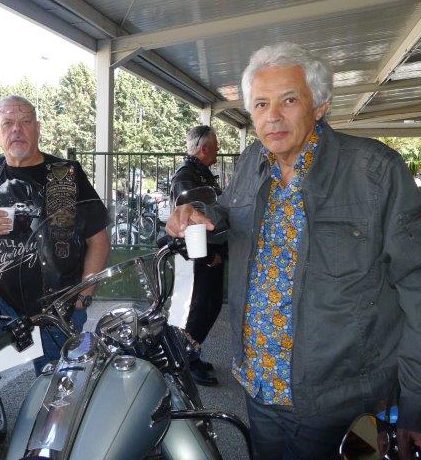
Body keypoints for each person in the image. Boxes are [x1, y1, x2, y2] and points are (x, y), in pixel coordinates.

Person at [166, 43, 421, 459]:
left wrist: (417, 401)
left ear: (319, 105)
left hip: (342, 403)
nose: (273, 116)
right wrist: (198, 213)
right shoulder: (252, 162)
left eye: (289, 100)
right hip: (258, 389)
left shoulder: (375, 171)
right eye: (261, 104)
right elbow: (228, 212)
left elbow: (417, 286)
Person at [0, 95, 110, 458]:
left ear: (38, 128)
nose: (16, 129)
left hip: (60, 301)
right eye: (8, 123)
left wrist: (85, 294)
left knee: (61, 386)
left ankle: (53, 449)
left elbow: (98, 238)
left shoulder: (66, 174)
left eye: (25, 121)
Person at [170, 125, 225, 387]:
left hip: (208, 251)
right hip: (198, 255)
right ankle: (185, 362)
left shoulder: (200, 173)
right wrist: (207, 256)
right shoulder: (186, 176)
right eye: (216, 146)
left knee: (209, 306)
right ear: (204, 149)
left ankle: (193, 354)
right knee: (197, 309)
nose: (218, 150)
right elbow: (189, 221)